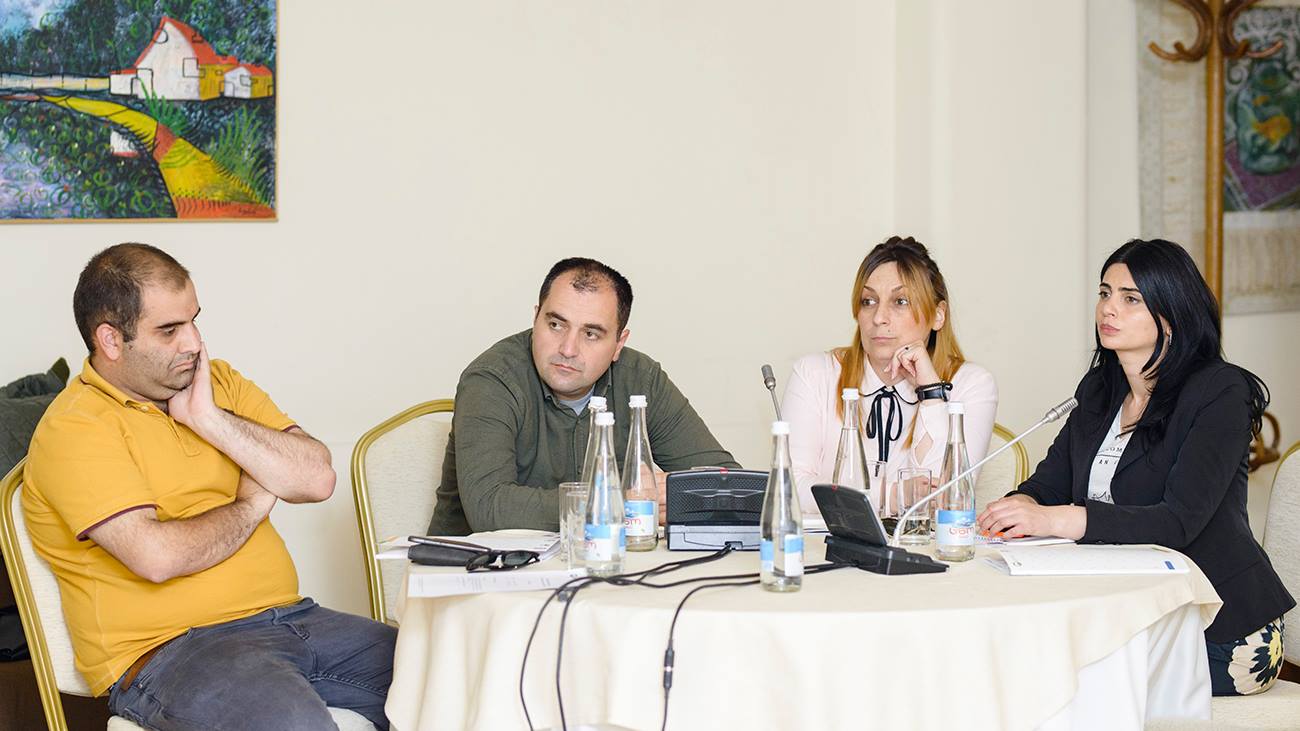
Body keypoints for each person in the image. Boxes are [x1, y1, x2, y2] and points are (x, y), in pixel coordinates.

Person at [23, 244, 397, 730]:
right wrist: (250, 504)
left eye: (194, 320)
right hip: (173, 652)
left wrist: (209, 419)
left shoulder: (217, 383)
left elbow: (316, 477)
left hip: (296, 620)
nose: (195, 343)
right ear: (111, 340)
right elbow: (157, 558)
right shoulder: (75, 427)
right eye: (169, 330)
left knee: (459, 678)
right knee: (293, 724)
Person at [979, 238, 1294, 696]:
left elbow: (1177, 522)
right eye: (1105, 293)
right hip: (1126, 612)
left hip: (1222, 627)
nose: (1108, 308)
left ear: (1171, 315)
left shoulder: (1220, 392)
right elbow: (1048, 484)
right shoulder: (1100, 390)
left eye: (1131, 299)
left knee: (1049, 679)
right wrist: (1018, 508)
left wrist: (1054, 519)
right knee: (1011, 656)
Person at [428, 257, 741, 535]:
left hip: (603, 569)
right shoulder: (492, 379)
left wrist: (679, 497)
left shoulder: (642, 379)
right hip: (479, 574)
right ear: (535, 319)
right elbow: (490, 508)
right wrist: (619, 502)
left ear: (619, 344)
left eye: (591, 334)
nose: (568, 349)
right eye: (555, 325)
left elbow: (732, 487)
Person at [781, 236, 997, 514]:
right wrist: (891, 496)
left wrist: (931, 393)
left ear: (938, 315)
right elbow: (788, 489)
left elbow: (944, 501)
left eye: (900, 301)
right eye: (868, 301)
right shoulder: (815, 374)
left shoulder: (972, 384)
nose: (879, 317)